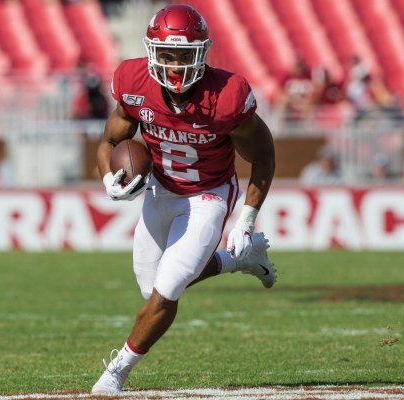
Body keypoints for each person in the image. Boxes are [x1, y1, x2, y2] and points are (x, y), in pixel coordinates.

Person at [92, 4, 277, 394]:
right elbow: (110, 141)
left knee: (169, 287)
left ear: (203, 52)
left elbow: (263, 156)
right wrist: (108, 176)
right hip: (161, 190)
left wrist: (246, 218)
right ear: (151, 51)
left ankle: (116, 373)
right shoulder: (133, 81)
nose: (175, 64)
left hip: (208, 194)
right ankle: (237, 260)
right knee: (151, 290)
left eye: (185, 54)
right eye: (167, 54)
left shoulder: (226, 96)